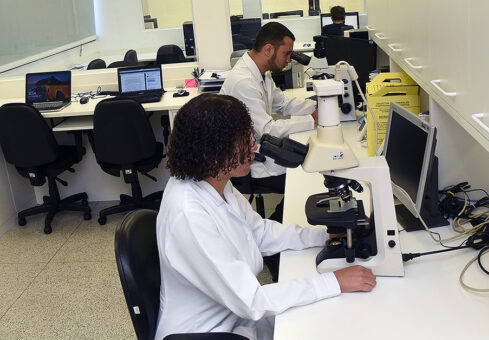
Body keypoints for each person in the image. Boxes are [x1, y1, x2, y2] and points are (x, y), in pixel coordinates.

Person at [154, 93, 376, 340]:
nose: (254, 146)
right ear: (212, 153)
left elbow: (258, 232)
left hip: (236, 317)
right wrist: (333, 282)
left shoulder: (214, 179)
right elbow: (253, 301)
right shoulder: (188, 215)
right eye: (244, 140)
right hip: (210, 333)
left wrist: (324, 236)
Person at [220, 22, 318, 224]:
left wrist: (318, 106)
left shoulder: (261, 74)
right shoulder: (244, 82)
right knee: (306, 178)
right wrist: (311, 120)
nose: (289, 60)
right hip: (248, 162)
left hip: (260, 149)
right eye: (287, 54)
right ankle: (277, 227)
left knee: (311, 164)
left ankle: (280, 226)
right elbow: (267, 130)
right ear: (268, 49)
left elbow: (283, 103)